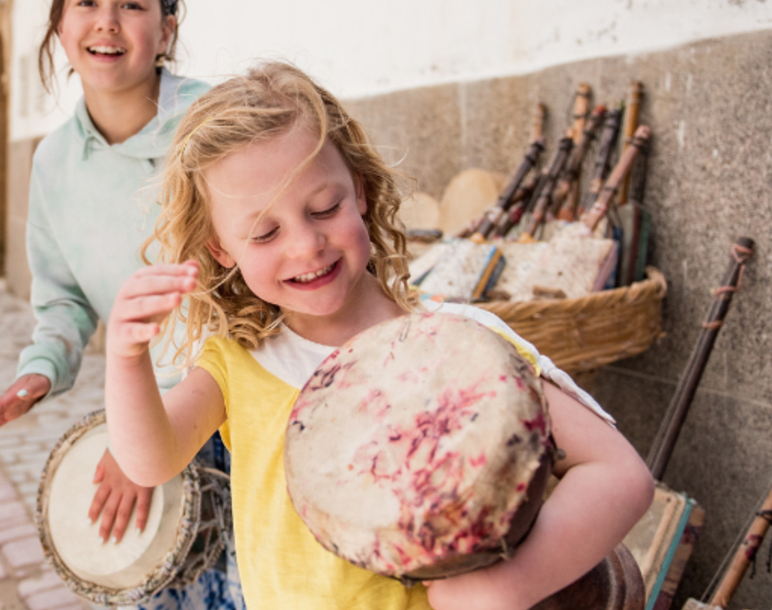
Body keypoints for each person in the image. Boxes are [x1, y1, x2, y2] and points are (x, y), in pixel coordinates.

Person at [103, 63, 655, 610]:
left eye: (325, 207)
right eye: (265, 232)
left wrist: (506, 587)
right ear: (222, 249)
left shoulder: (458, 346)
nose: (306, 245)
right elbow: (151, 462)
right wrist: (126, 360)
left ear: (361, 191)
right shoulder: (240, 362)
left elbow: (619, 474)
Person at [0, 0, 242, 609]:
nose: (107, 22)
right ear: (61, 26)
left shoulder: (220, 125)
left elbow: (254, 288)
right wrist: (41, 369)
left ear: (167, 28)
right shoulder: (54, 164)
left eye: (133, 3)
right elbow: (62, 299)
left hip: (243, 409)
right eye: (86, 1)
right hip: (146, 415)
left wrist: (145, 443)